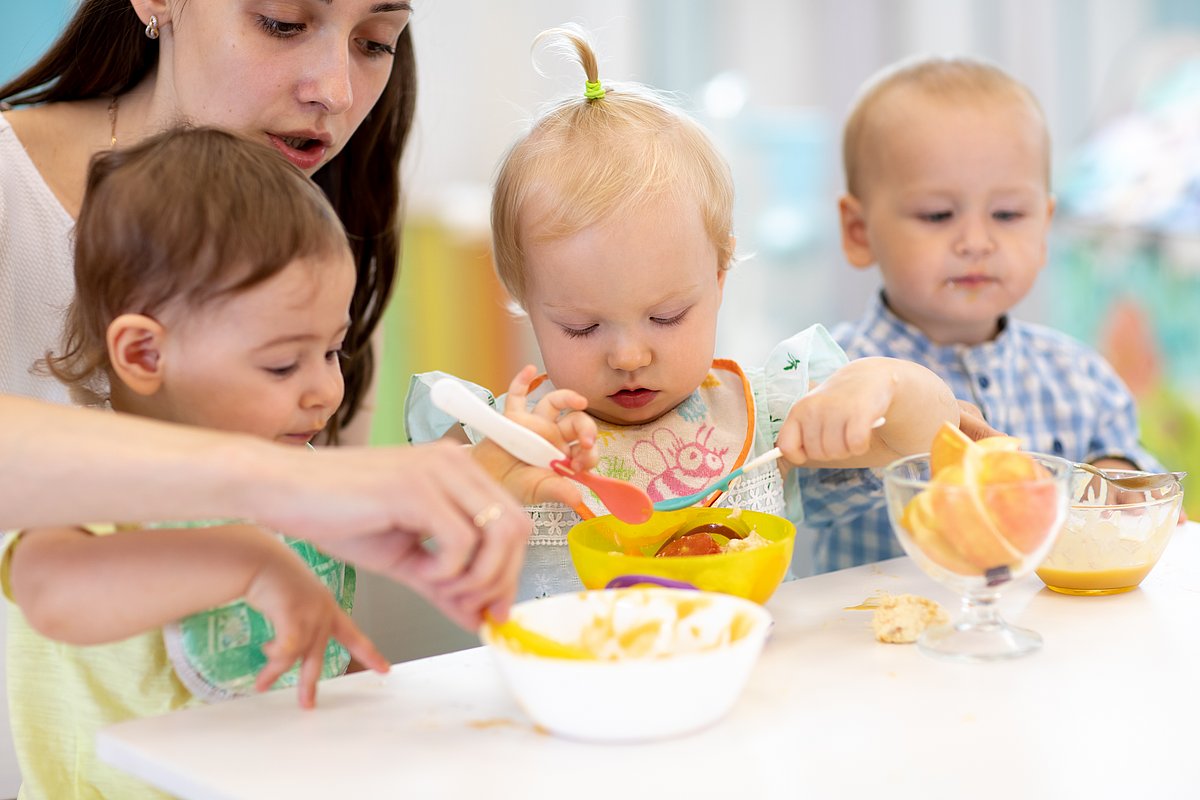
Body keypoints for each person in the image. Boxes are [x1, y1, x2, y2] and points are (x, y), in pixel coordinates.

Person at [0, 126, 592, 800]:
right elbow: (48, 593)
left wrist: (496, 458)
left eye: (332, 351)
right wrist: (249, 562)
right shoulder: (95, 480)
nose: (326, 390)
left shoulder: (289, 458)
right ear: (144, 355)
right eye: (282, 362)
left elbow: (389, 501)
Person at [407, 26, 970, 601]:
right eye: (582, 326)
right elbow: (412, 545)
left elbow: (929, 439)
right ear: (526, 302)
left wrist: (886, 384)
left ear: (720, 280)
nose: (629, 355)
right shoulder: (505, 441)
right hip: (575, 684)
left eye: (668, 316)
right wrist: (485, 481)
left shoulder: (766, 416)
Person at [0, 0, 412, 443]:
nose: (336, 93)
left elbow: (337, 492)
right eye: (283, 24)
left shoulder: (339, 222)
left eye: (374, 43)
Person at [827, 54, 1166, 572]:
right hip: (885, 640)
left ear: (1045, 223)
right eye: (938, 214)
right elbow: (805, 498)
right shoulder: (836, 373)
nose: (977, 242)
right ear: (858, 231)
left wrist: (1114, 474)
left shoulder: (1079, 376)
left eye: (1008, 214)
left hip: (1053, 639)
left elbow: (1138, 476)